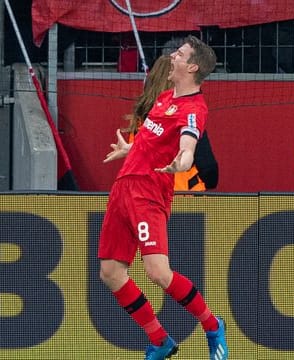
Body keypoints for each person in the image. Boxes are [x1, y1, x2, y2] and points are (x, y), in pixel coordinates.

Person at [99, 35, 229, 360]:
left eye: (179, 54)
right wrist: (130, 150)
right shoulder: (165, 98)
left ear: (192, 66)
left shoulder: (194, 110)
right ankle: (159, 340)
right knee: (111, 273)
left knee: (157, 272)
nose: (172, 57)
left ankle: (212, 325)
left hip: (148, 194)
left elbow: (187, 148)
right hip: (123, 188)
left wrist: (181, 163)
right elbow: (152, 140)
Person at [125, 54, 219, 191]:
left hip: (143, 195)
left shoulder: (140, 121)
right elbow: (210, 172)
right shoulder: (188, 121)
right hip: (183, 201)